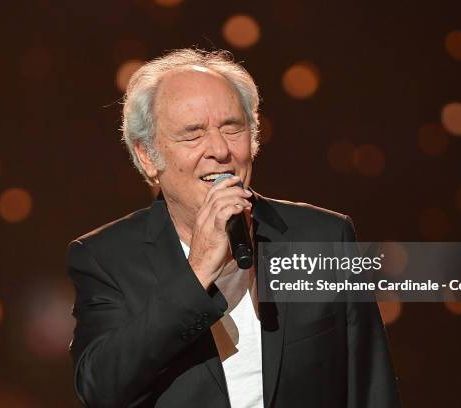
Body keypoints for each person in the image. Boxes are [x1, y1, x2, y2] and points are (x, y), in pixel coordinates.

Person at [66, 48, 400, 407]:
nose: (220, 150)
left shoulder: (324, 237)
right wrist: (198, 272)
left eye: (232, 128)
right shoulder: (105, 259)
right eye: (192, 134)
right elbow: (101, 389)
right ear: (148, 156)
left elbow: (370, 388)